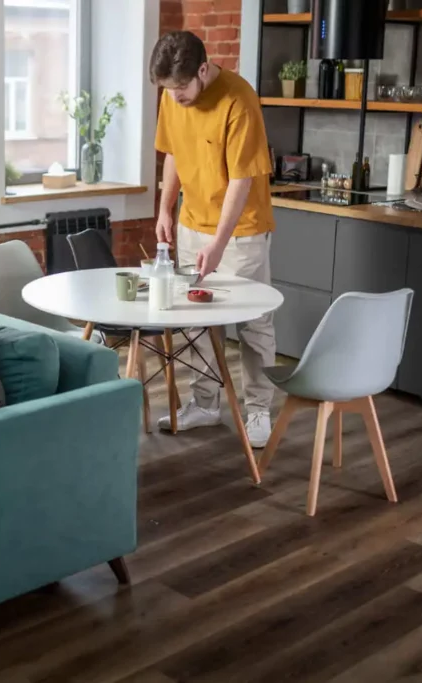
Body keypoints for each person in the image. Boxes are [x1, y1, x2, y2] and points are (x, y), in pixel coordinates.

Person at [149, 31, 277, 448]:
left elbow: (242, 178)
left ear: (203, 70)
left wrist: (220, 243)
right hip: (191, 223)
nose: (176, 97)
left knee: (252, 320)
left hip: (241, 230)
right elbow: (173, 153)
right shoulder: (172, 95)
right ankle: (205, 403)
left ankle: (258, 409)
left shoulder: (239, 99)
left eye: (181, 88)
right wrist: (166, 209)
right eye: (168, 90)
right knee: (196, 322)